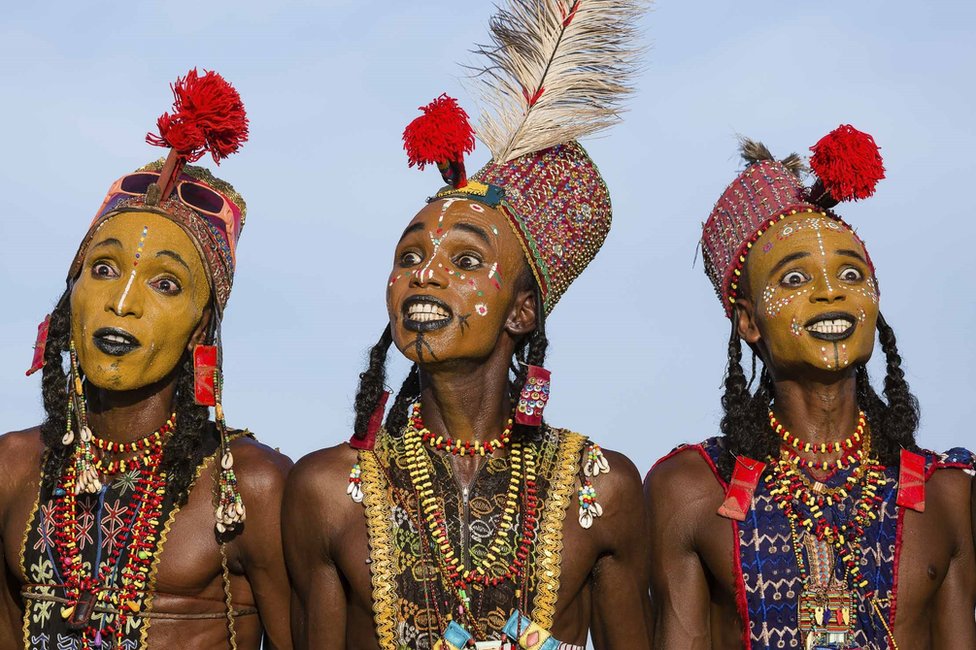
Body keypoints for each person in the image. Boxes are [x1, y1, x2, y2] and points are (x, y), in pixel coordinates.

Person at [282, 1, 651, 648]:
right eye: (409, 257)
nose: (425, 275)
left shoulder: (603, 487)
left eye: (467, 260)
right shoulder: (327, 492)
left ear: (523, 310)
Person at [644, 128, 976, 648]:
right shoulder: (691, 488)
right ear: (749, 323)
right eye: (795, 280)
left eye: (851, 273)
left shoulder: (947, 492)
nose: (830, 293)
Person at [0, 69, 292, 650]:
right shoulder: (11, 467)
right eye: (103, 270)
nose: (123, 302)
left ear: (200, 327)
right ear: (69, 295)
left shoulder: (252, 486)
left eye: (165, 284)